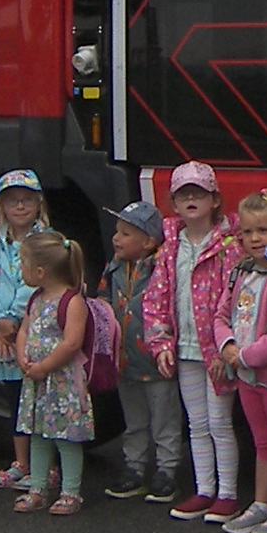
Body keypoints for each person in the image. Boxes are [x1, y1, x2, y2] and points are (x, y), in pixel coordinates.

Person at [145, 163, 243, 522]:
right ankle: (204, 490)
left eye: (198, 192)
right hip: (184, 349)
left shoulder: (230, 245)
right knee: (197, 424)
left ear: (214, 199)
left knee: (220, 424)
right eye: (183, 193)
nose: (190, 199)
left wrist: (224, 347)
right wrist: (160, 343)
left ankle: (228, 494)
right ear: (172, 201)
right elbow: (155, 298)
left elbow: (233, 298)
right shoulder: (170, 246)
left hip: (216, 350)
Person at [219, 191, 267, 533]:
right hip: (245, 373)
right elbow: (221, 314)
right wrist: (227, 345)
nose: (254, 239)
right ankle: (261, 503)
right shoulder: (240, 272)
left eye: (263, 231)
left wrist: (248, 355)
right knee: (260, 440)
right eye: (248, 232)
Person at [97, 202, 186, 504]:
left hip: (156, 361)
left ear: (148, 241)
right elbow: (103, 300)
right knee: (133, 420)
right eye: (116, 232)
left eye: (125, 233)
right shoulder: (113, 268)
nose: (116, 239)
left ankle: (167, 471)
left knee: (165, 419)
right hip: (124, 362)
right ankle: (134, 468)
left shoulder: (162, 268)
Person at [11, 232, 95, 515]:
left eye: (22, 263)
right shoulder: (35, 298)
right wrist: (22, 355)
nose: (19, 269)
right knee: (38, 434)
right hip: (37, 380)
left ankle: (70, 491)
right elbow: (25, 329)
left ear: (40, 271)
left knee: (66, 436)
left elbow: (71, 342)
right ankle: (37, 486)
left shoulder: (72, 302)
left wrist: (44, 366)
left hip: (62, 383)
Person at [0, 170, 51, 487]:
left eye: (26, 200)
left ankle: (44, 465)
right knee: (16, 401)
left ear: (37, 204)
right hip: (5, 336)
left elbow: (34, 283)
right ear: (2, 207)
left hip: (35, 331)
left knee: (40, 401)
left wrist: (13, 318)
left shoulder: (48, 241)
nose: (20, 207)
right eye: (12, 201)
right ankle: (21, 462)